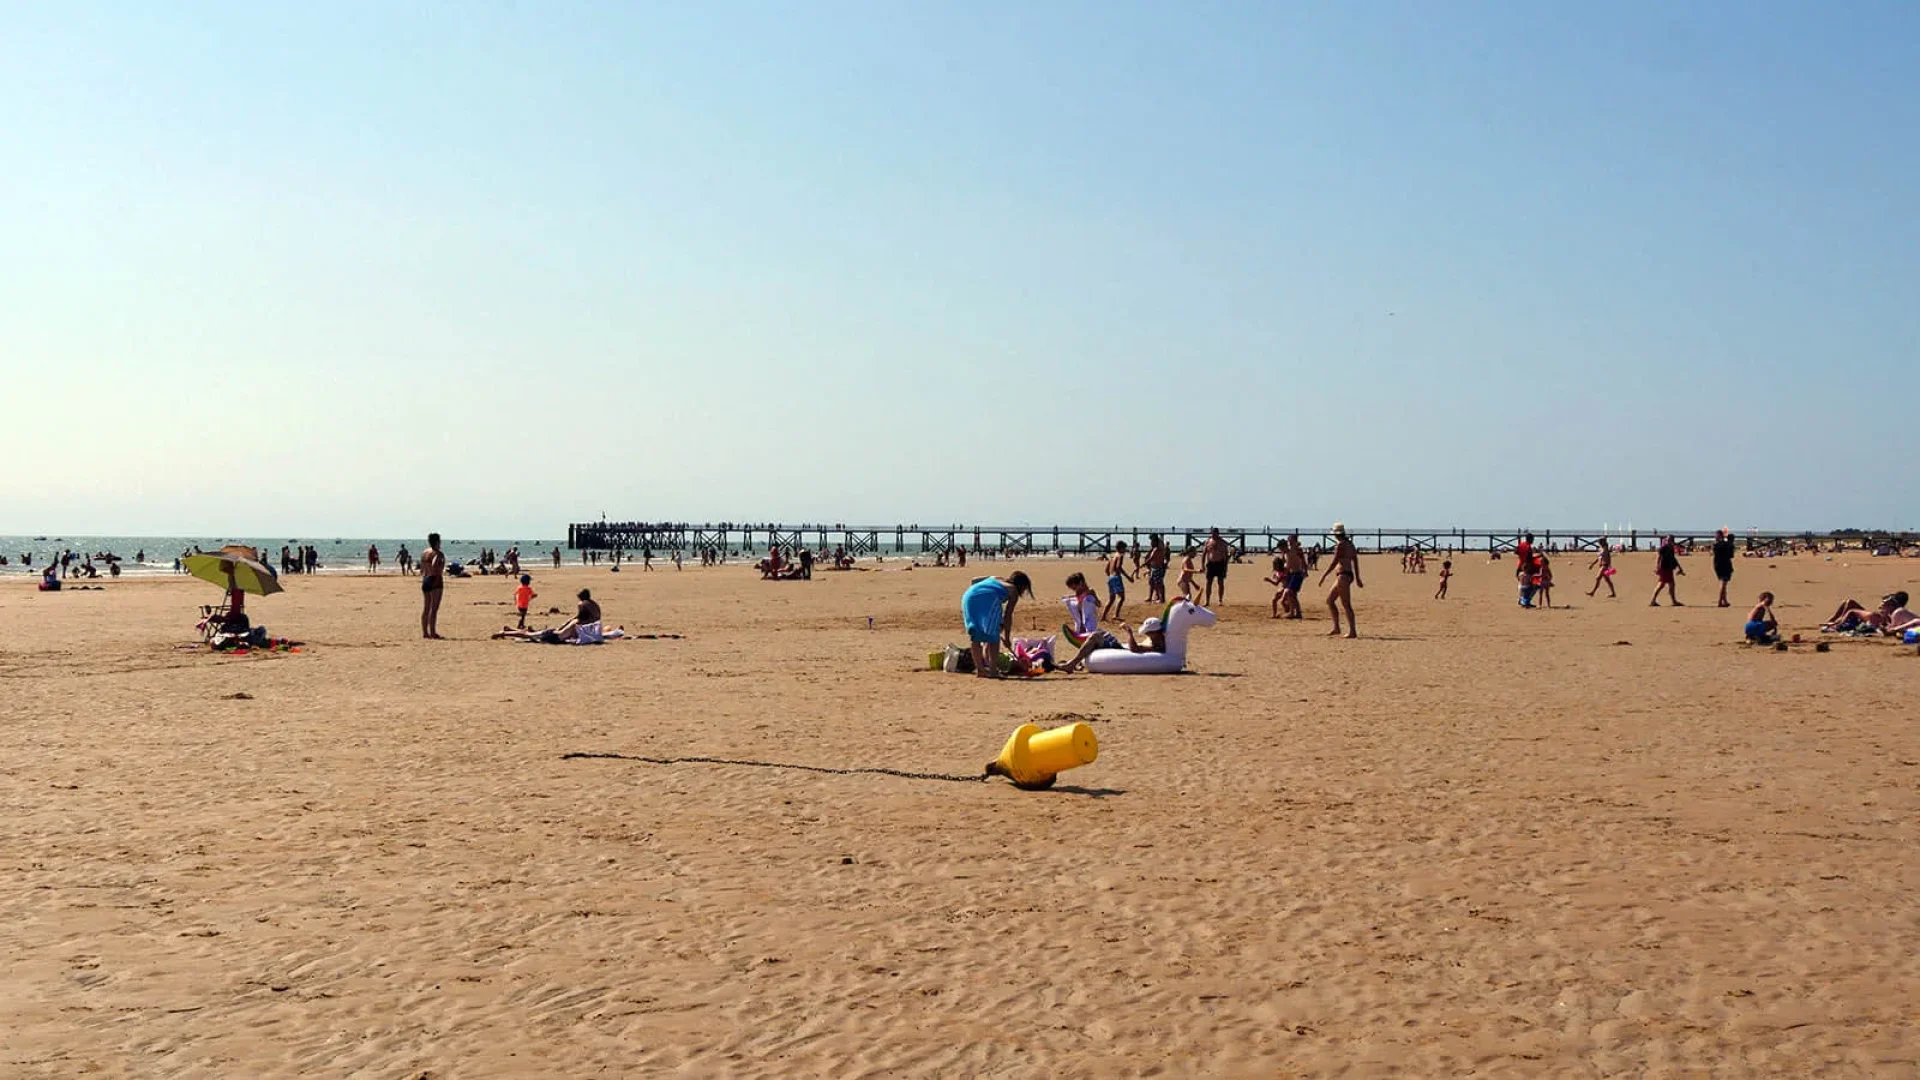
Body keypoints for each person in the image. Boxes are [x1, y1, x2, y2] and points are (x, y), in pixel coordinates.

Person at [960, 571, 1033, 679]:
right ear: (1021, 586)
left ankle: (980, 670)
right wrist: (1007, 638)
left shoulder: (996, 578)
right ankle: (993, 671)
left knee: (976, 634)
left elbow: (974, 580)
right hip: (987, 599)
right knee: (993, 637)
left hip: (968, 597)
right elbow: (1008, 616)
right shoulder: (1013, 591)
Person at [1056, 572, 1124, 674]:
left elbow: (1098, 603)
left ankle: (1077, 663)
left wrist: (1092, 599)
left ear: (1080, 583)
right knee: (1083, 642)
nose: (1074, 590)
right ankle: (1079, 662)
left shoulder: (1090, 591)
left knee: (1089, 639)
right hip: (1081, 621)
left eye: (1074, 587)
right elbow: (1078, 605)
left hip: (1089, 620)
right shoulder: (1077, 594)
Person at [1318, 522, 1362, 638]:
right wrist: (1357, 578)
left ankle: (1352, 631)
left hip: (1343, 575)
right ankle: (1336, 627)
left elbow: (1334, 561)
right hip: (1347, 575)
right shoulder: (1350, 544)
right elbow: (1355, 561)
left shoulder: (1341, 545)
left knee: (1346, 604)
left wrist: (1324, 575)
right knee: (1330, 600)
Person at [420, 532, 447, 639]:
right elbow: (435, 563)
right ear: (437, 542)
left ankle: (425, 632)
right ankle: (432, 632)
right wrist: (439, 570)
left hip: (426, 579)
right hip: (435, 579)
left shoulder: (425, 552)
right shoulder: (438, 554)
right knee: (434, 608)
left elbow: (422, 567)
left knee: (426, 607)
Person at [1102, 542, 1133, 622]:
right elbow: (1118, 567)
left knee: (1111, 599)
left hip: (1110, 577)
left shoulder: (1112, 556)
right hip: (1116, 577)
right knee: (1121, 597)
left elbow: (1106, 570)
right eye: (1124, 548)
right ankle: (1116, 615)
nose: (1125, 550)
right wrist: (1128, 577)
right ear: (1121, 548)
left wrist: (1111, 576)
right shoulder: (1120, 556)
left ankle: (1103, 616)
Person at [1650, 535, 1684, 606]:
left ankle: (1673, 601)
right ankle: (1653, 600)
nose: (1668, 541)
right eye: (1667, 540)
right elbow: (1658, 558)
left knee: (1670, 585)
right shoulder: (1663, 548)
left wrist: (1679, 568)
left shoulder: (1671, 548)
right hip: (1664, 568)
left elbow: (1673, 559)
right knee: (1661, 585)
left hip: (1669, 568)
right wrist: (1657, 568)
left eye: (1670, 540)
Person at [1280, 533, 1308, 618]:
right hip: (1291, 574)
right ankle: (1296, 613)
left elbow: (1303, 561)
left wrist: (1305, 571)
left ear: (1295, 541)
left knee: (1289, 592)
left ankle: (1293, 613)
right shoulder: (1286, 551)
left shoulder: (1297, 550)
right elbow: (1286, 563)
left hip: (1297, 573)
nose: (1290, 541)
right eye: (1289, 540)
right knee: (1292, 595)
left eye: (1291, 540)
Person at [1201, 528, 1231, 607]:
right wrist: (1202, 565)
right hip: (1211, 564)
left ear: (1218, 533)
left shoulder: (1223, 542)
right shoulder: (1208, 541)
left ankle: (1220, 600)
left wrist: (1225, 566)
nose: (1214, 535)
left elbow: (1226, 555)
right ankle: (1207, 601)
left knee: (1220, 583)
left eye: (1215, 533)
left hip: (1220, 564)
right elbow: (1204, 554)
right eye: (1212, 533)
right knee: (1209, 582)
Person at [1712, 529, 1736, 607]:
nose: (1715, 537)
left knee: (1723, 583)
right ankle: (1720, 601)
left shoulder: (1716, 545)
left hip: (1717, 565)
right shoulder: (1728, 545)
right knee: (1723, 584)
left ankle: (1724, 601)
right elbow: (1731, 556)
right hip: (1725, 564)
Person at [1143, 533, 1170, 604]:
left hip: (1158, 567)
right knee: (1151, 582)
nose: (1150, 542)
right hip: (1153, 567)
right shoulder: (1155, 546)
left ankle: (1162, 599)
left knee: (1159, 583)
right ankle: (1150, 597)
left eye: (1151, 540)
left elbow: (1153, 557)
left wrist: (1145, 563)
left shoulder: (1159, 546)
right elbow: (1151, 552)